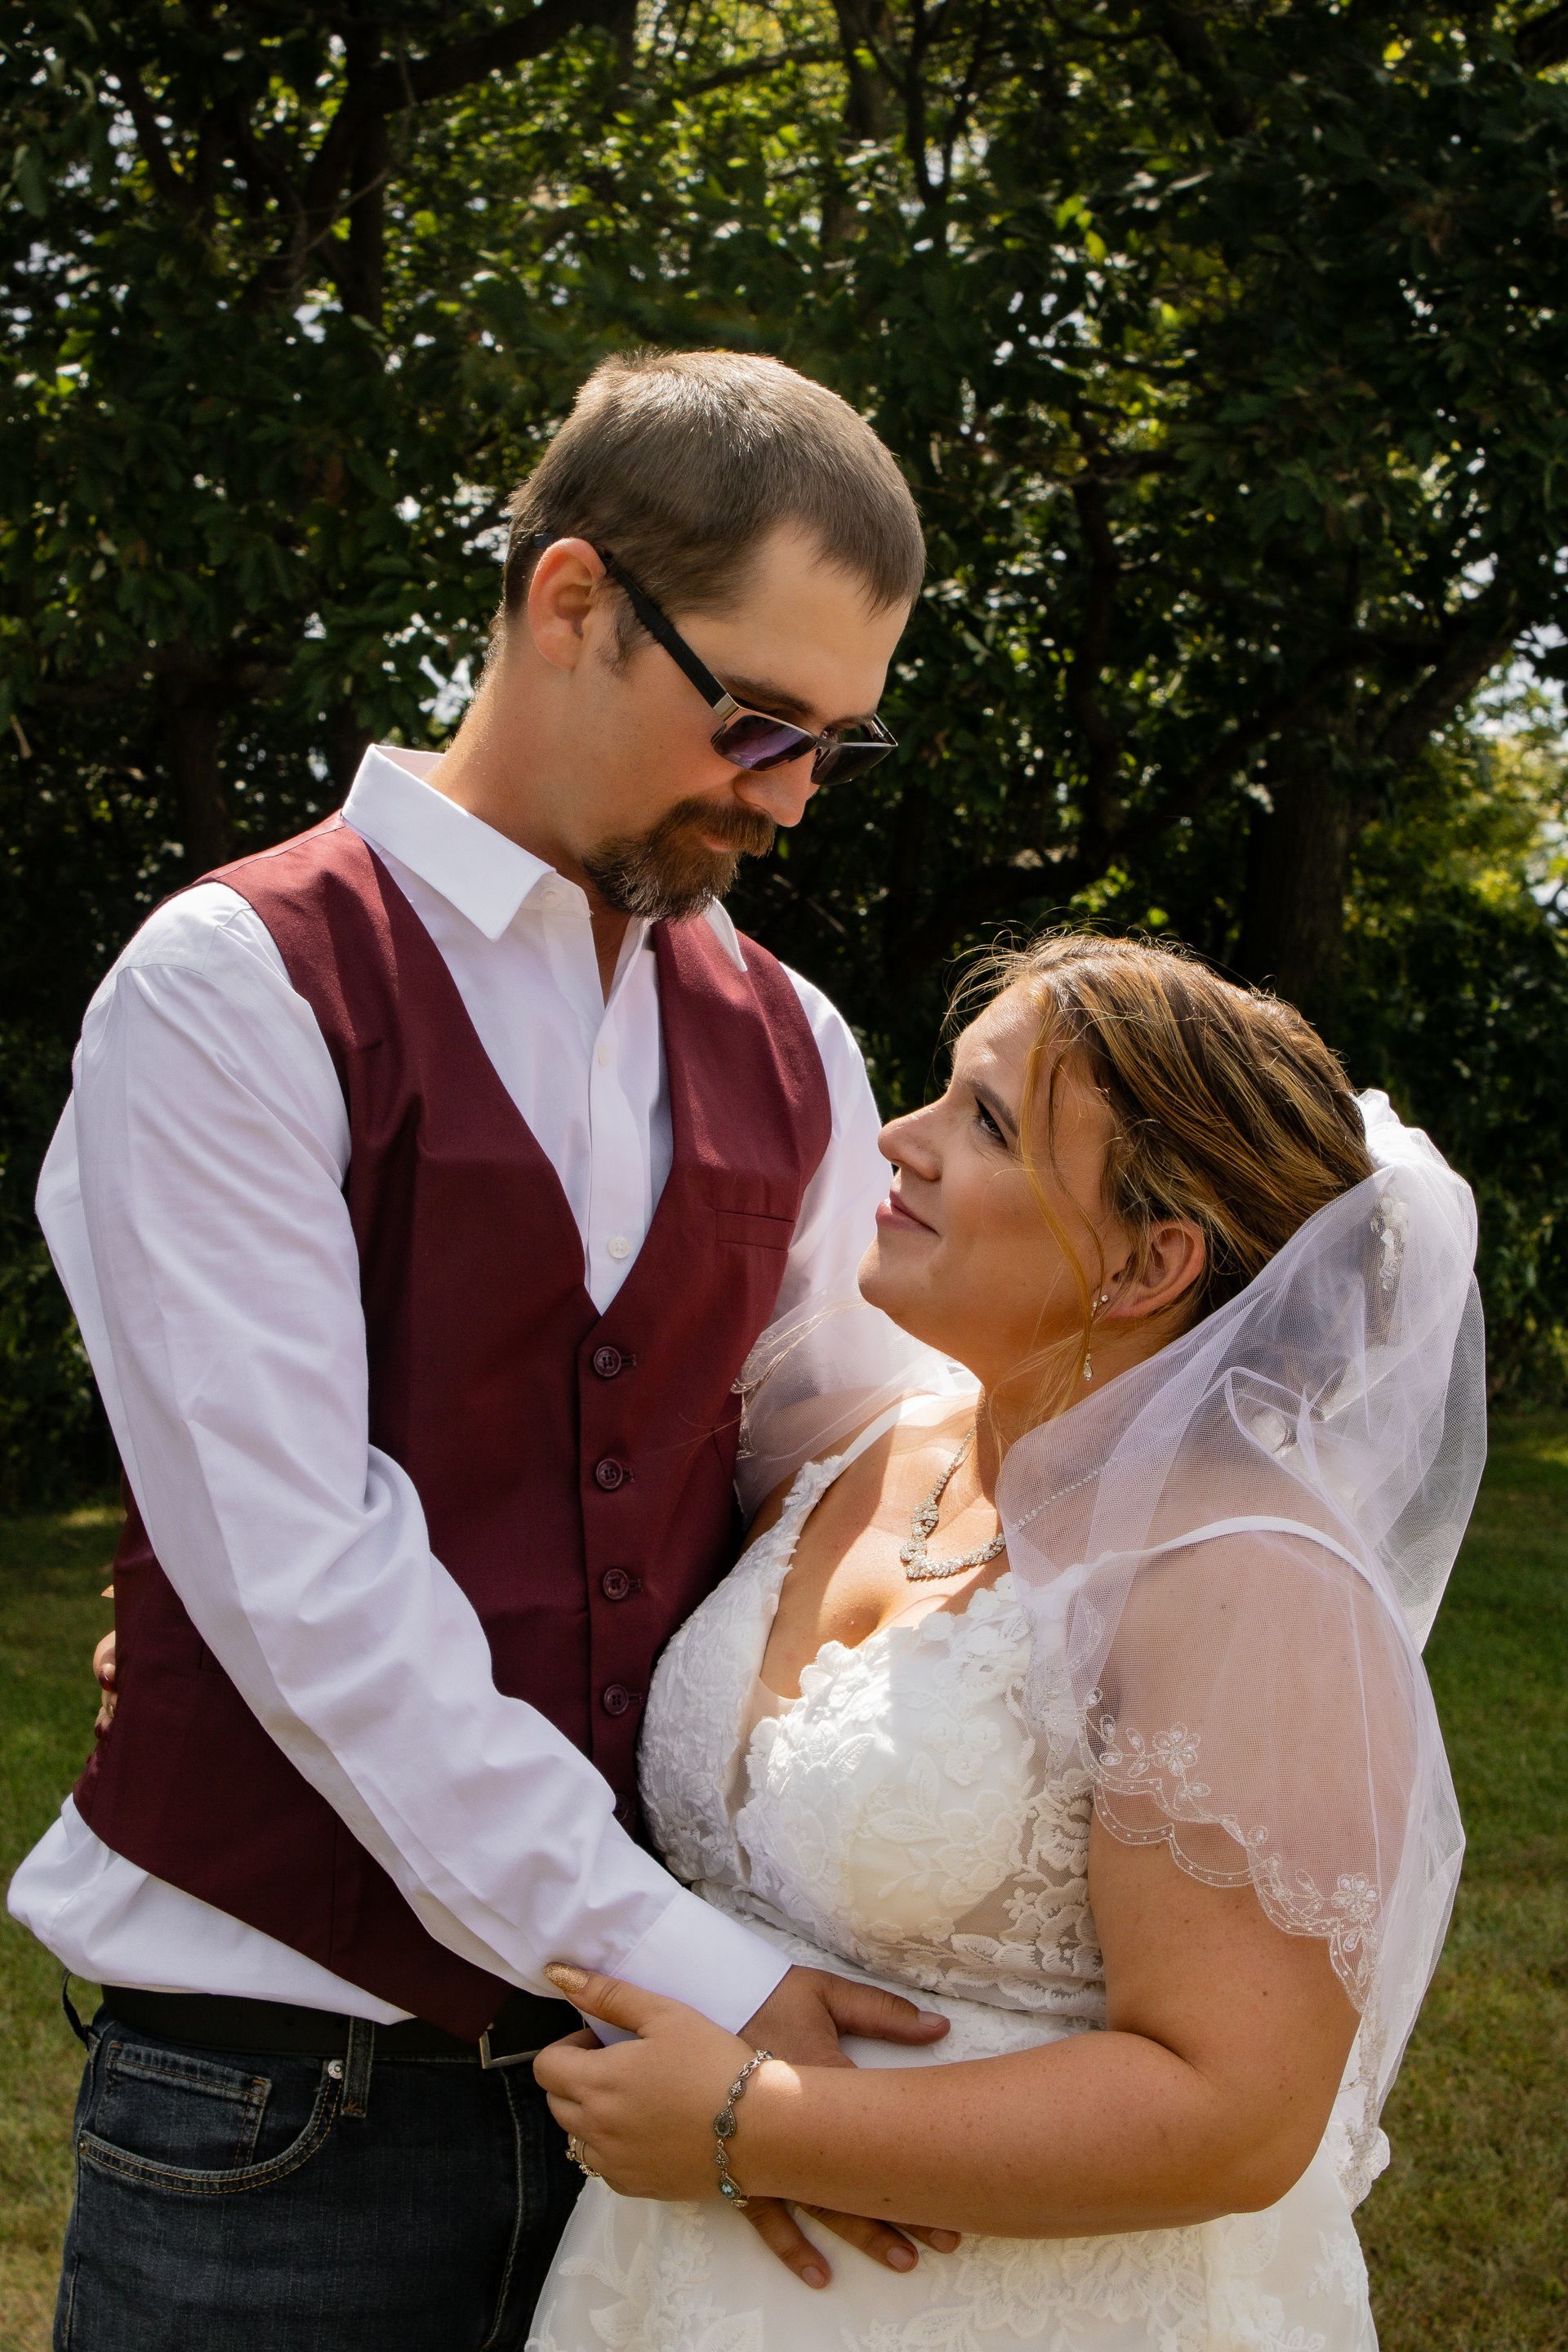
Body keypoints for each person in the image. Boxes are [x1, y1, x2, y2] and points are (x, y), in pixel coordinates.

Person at [8, 348, 969, 2352]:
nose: (790, 795)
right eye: (762, 719)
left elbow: (842, 1464)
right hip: (287, 2110)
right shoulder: (233, 989)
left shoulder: (791, 1041)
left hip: (679, 2124)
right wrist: (684, 1961)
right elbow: (305, 1587)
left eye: (837, 748)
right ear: (569, 602)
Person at [523, 932, 1482, 2352]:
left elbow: (1233, 2112)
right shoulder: (857, 1440)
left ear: (1153, 1260)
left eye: (981, 1120)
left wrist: (748, 2123)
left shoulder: (1244, 1586)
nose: (895, 1144)